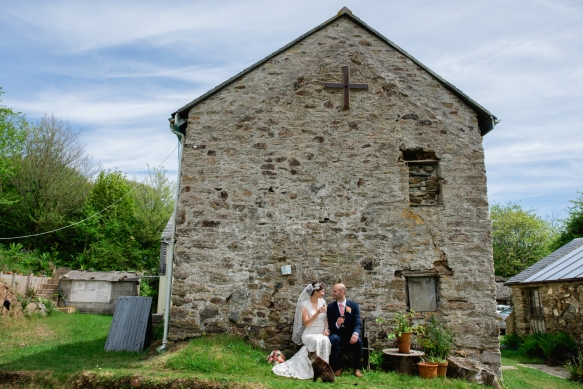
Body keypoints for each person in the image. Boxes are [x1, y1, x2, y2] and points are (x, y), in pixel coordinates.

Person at [272, 282, 332, 379]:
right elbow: (307, 323)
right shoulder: (305, 305)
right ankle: (313, 370)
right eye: (322, 291)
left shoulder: (323, 302)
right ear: (315, 292)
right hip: (309, 333)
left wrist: (326, 330)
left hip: (321, 333)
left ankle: (324, 370)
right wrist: (317, 312)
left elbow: (326, 320)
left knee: (325, 340)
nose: (323, 293)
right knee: (317, 341)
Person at [327, 283, 363, 377]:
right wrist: (336, 324)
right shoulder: (330, 307)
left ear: (342, 292)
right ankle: (338, 367)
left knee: (358, 341)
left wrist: (355, 334)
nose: (333, 293)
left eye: (335, 291)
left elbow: (357, 322)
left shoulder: (354, 305)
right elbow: (330, 325)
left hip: (350, 335)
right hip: (338, 334)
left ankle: (356, 368)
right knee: (333, 339)